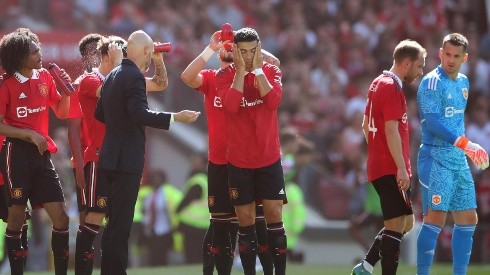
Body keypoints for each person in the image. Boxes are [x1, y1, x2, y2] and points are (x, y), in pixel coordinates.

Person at [94, 30, 200, 275]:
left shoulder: (112, 75)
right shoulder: (133, 77)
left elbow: (100, 114)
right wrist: (176, 117)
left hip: (109, 157)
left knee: (111, 226)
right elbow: (139, 114)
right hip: (126, 161)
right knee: (121, 227)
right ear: (146, 51)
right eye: (151, 51)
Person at [180, 29, 279, 275]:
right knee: (219, 226)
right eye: (228, 50)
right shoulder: (214, 78)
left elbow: (274, 63)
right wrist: (211, 48)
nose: (227, 52)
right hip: (220, 161)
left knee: (256, 225)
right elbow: (187, 76)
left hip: (247, 160)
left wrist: (246, 48)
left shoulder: (246, 76)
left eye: (230, 49)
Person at [74, 33, 169, 275]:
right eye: (119, 49)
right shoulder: (90, 80)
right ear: (107, 54)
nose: (124, 53)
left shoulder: (125, 76)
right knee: (93, 219)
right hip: (98, 157)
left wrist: (157, 59)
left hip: (118, 157)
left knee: (115, 223)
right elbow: (110, 93)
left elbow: (159, 84)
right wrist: (119, 65)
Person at [416, 33, 489, 275]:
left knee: (468, 219)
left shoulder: (464, 83)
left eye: (456, 56)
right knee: (435, 219)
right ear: (440, 53)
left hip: (458, 159)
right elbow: (433, 122)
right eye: (447, 54)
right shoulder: (431, 82)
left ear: (464, 58)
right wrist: (467, 144)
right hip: (436, 157)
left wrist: (466, 147)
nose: (450, 60)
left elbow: (456, 121)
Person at [215, 27, 287, 275]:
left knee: (274, 215)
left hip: (268, 158)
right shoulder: (224, 76)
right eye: (242, 51)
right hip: (239, 160)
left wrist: (256, 70)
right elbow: (231, 107)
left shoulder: (271, 71)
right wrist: (241, 72)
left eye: (252, 51)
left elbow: (274, 101)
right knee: (245, 221)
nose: (247, 56)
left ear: (259, 49)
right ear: (234, 51)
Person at [0, 28, 71, 275]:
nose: (39, 53)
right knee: (17, 219)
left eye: (38, 48)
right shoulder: (5, 84)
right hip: (15, 154)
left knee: (61, 218)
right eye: (33, 51)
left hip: (41, 155)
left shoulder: (45, 77)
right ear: (19, 57)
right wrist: (29, 133)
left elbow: (61, 112)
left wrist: (66, 91)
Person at [353, 39, 427, 275]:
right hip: (391, 167)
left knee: (406, 223)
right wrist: (401, 168)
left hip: (380, 164)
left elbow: (366, 124)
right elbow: (390, 129)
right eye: (419, 65)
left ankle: (365, 267)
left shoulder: (377, 83)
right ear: (406, 63)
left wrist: (376, 151)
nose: (420, 71)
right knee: (395, 226)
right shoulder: (392, 87)